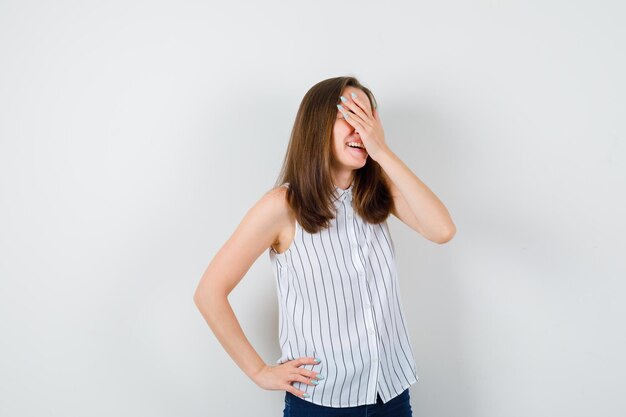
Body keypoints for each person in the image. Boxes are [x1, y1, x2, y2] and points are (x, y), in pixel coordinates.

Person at [193, 76, 456, 416]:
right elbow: (209, 292)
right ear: (318, 126)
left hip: (391, 394)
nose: (362, 128)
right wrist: (259, 372)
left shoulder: (375, 193)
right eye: (350, 116)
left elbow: (442, 230)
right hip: (322, 403)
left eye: (368, 117)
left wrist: (383, 151)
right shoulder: (282, 206)